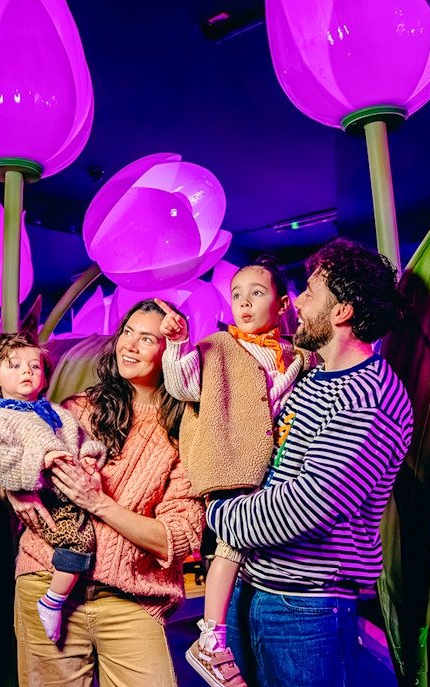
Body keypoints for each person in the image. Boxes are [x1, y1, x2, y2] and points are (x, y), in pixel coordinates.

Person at [207, 238, 414, 687]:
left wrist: (214, 509)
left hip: (304, 610)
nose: (296, 303)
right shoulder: (311, 376)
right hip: (256, 587)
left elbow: (301, 508)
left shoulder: (370, 398)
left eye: (310, 293)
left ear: (341, 312)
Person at [4, 299, 205, 687]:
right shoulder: (77, 410)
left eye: (146, 338)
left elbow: (175, 539)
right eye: (127, 332)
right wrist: (12, 485)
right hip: (45, 580)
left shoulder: (185, 432)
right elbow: (15, 447)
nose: (129, 345)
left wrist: (99, 504)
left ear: (172, 350)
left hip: (131, 600)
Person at [155, 256, 311, 687]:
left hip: (275, 470)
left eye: (256, 294)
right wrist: (178, 345)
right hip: (229, 462)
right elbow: (183, 386)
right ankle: (210, 636)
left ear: (282, 305)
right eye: (236, 295)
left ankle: (232, 634)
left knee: (249, 551)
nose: (243, 303)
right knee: (230, 543)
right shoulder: (217, 346)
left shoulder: (299, 355)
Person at [0, 332, 107, 642]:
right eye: (15, 366)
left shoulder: (57, 412)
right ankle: (52, 601)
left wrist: (89, 454)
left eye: (35, 367)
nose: (27, 372)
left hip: (73, 491)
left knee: (93, 535)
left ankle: (63, 594)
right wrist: (41, 458)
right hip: (48, 499)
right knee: (77, 541)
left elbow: (80, 440)